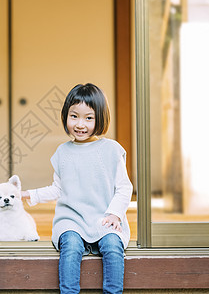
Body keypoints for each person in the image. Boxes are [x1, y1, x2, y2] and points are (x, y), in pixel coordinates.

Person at [22, 83, 133, 294]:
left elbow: (124, 188)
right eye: (74, 116)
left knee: (112, 245)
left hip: (104, 218)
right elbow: (58, 189)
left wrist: (115, 214)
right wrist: (29, 194)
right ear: (65, 116)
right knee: (71, 246)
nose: (80, 124)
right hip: (72, 220)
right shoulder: (63, 152)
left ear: (100, 118)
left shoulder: (110, 150)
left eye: (88, 118)